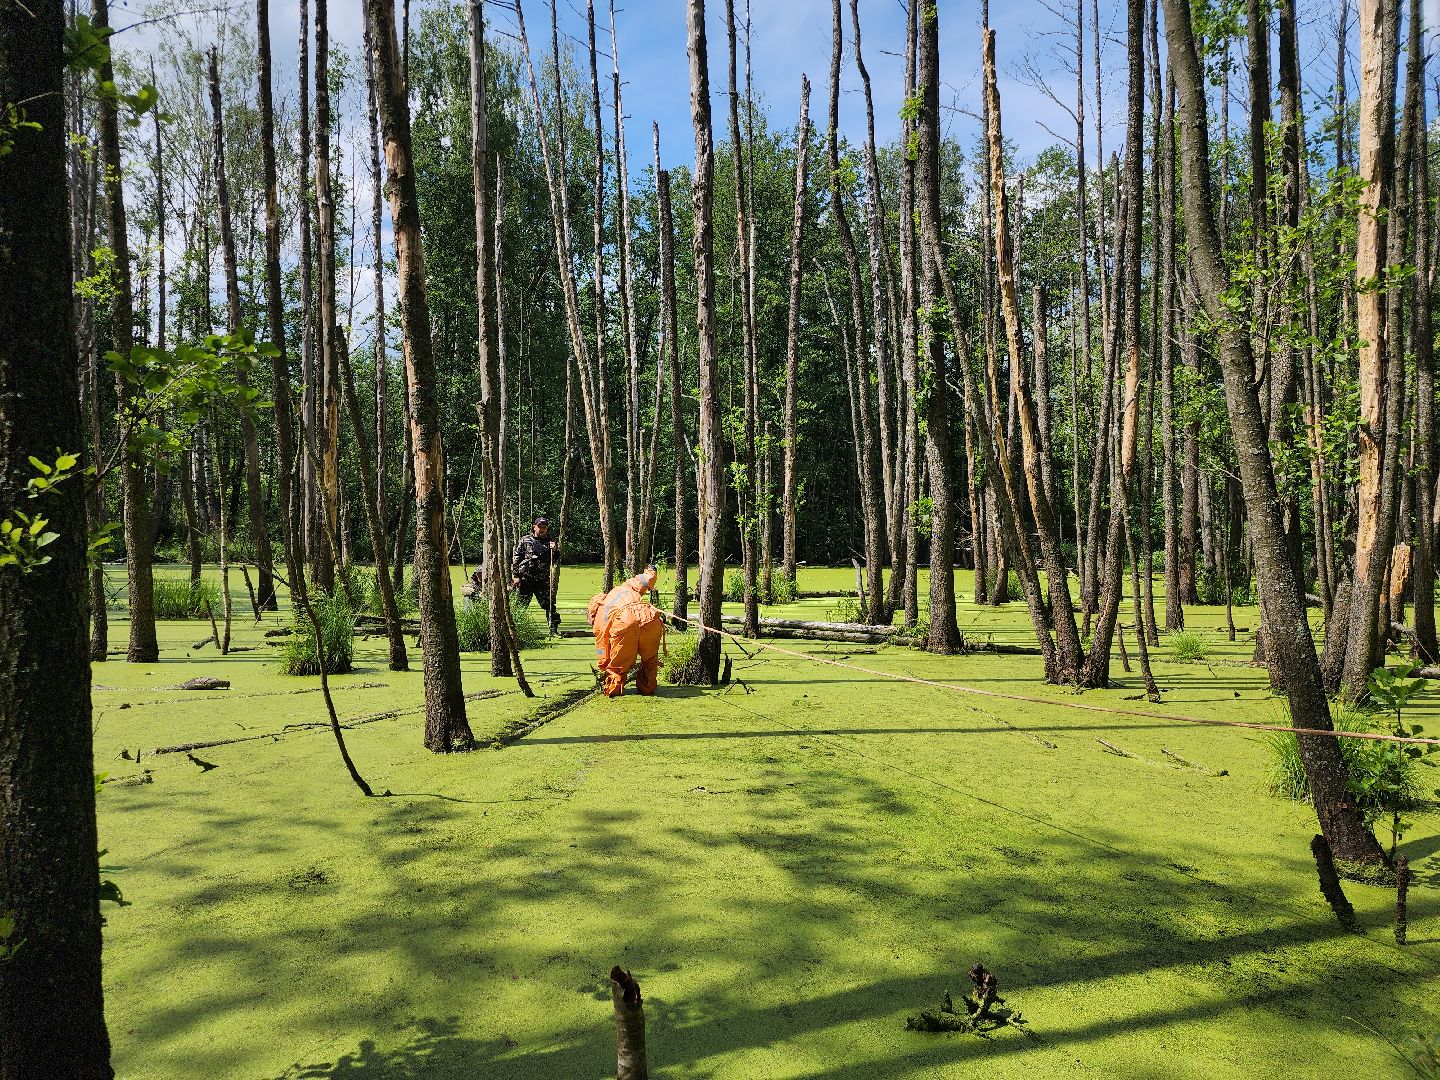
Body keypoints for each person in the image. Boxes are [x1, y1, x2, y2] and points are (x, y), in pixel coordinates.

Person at [588, 566, 664, 698]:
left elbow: (601, 648)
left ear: (591, 613)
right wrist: (651, 571)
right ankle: (648, 688)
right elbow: (645, 579)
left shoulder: (600, 615)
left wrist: (604, 665)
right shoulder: (625, 587)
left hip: (625, 622)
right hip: (650, 618)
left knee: (616, 669)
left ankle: (614, 690)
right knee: (650, 661)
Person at [512, 515, 561, 634]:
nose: (542, 529)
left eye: (544, 527)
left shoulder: (551, 542)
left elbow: (556, 560)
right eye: (540, 526)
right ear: (534, 527)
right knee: (521, 605)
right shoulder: (525, 540)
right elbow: (516, 558)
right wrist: (516, 576)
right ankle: (516, 629)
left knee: (549, 605)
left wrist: (554, 550)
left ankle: (553, 629)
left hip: (542, 580)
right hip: (526, 578)